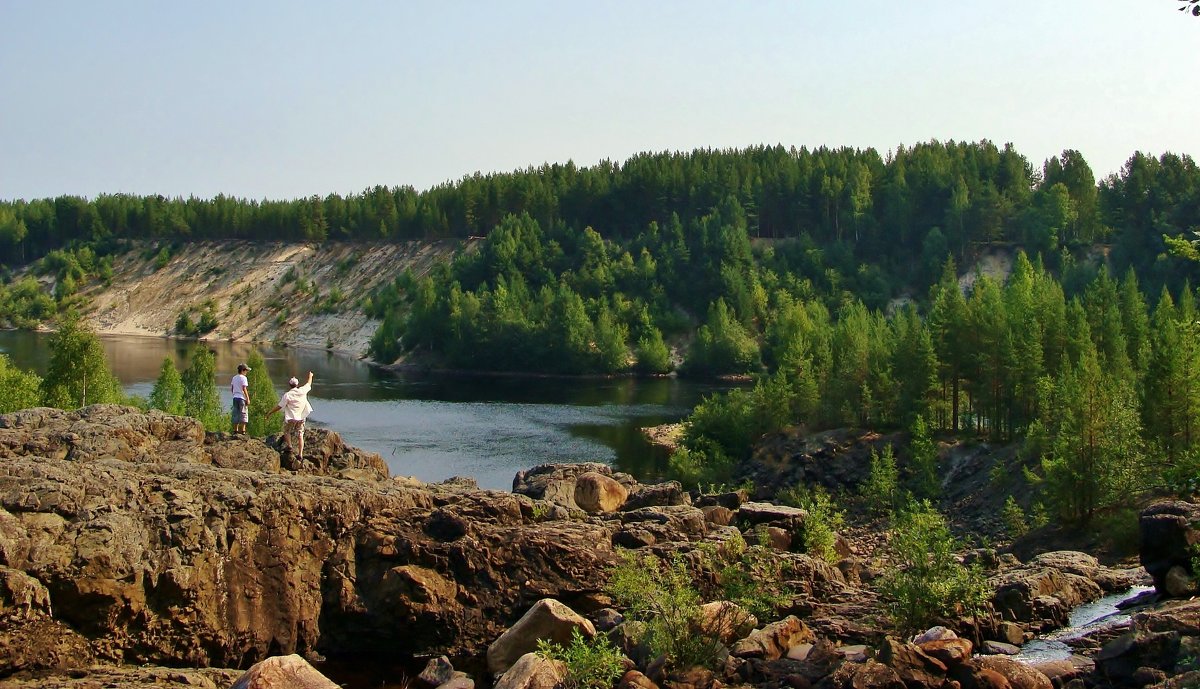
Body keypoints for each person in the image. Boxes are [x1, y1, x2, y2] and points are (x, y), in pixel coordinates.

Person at [267, 371, 314, 457]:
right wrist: (310, 375)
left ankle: (290, 446)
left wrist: (270, 413)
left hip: (291, 418)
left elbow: (280, 406)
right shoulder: (302, 391)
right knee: (300, 434)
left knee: (287, 431)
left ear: (289, 385)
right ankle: (300, 454)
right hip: (301, 417)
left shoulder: (287, 395)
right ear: (297, 384)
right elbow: (309, 383)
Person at [229, 363, 251, 434]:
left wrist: (234, 394)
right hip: (242, 398)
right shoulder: (244, 378)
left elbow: (232, 388)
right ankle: (243, 430)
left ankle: (236, 430)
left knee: (236, 413)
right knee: (243, 413)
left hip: (235, 398)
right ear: (242, 370)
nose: (246, 372)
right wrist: (247, 398)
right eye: (246, 370)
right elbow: (244, 389)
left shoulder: (234, 377)